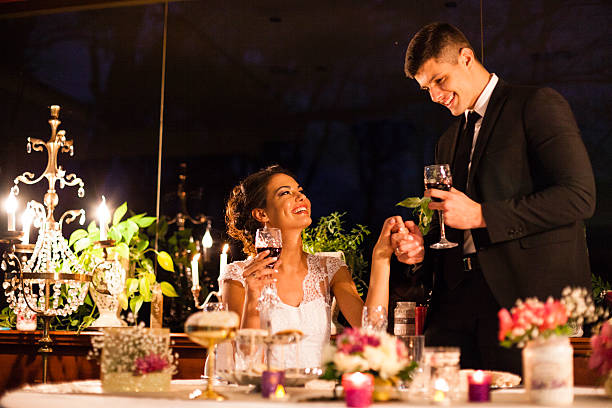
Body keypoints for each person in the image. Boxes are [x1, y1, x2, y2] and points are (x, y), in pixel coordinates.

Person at [392, 22, 596, 374]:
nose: (435, 96)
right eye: (426, 88)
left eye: (440, 80)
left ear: (466, 58)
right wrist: (420, 250)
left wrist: (483, 215)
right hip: (454, 303)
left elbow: (578, 197)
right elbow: (454, 224)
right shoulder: (447, 139)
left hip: (523, 303)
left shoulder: (535, 105)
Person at [219, 165, 398, 369]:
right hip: (264, 395)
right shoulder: (239, 276)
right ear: (262, 214)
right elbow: (243, 359)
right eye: (285, 193)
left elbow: (371, 332)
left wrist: (381, 258)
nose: (300, 197)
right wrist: (253, 298)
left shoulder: (330, 268)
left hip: (316, 394)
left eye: (300, 191)